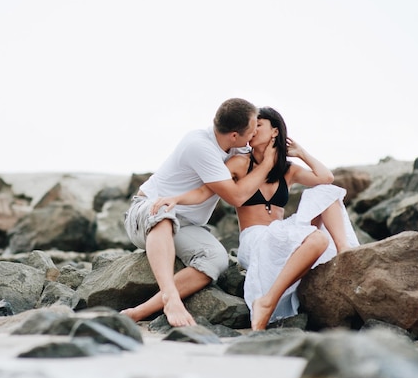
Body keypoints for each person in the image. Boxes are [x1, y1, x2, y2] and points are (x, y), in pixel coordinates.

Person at [151, 106, 359, 330]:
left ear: (275, 132)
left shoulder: (287, 169)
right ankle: (267, 302)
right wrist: (175, 199)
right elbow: (204, 192)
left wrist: (301, 152)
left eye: (258, 125)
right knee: (318, 239)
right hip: (256, 239)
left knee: (325, 192)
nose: (252, 131)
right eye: (251, 127)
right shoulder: (239, 163)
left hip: (281, 233)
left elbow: (326, 177)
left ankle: (344, 250)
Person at [122, 98, 277, 327]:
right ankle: (170, 298)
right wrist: (268, 164)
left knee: (217, 259)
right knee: (164, 214)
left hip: (185, 225)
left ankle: (138, 312)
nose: (254, 134)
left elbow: (261, 150)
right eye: (252, 129)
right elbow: (235, 196)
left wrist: (287, 148)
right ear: (234, 134)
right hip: (147, 211)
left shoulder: (235, 145)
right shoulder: (199, 145)